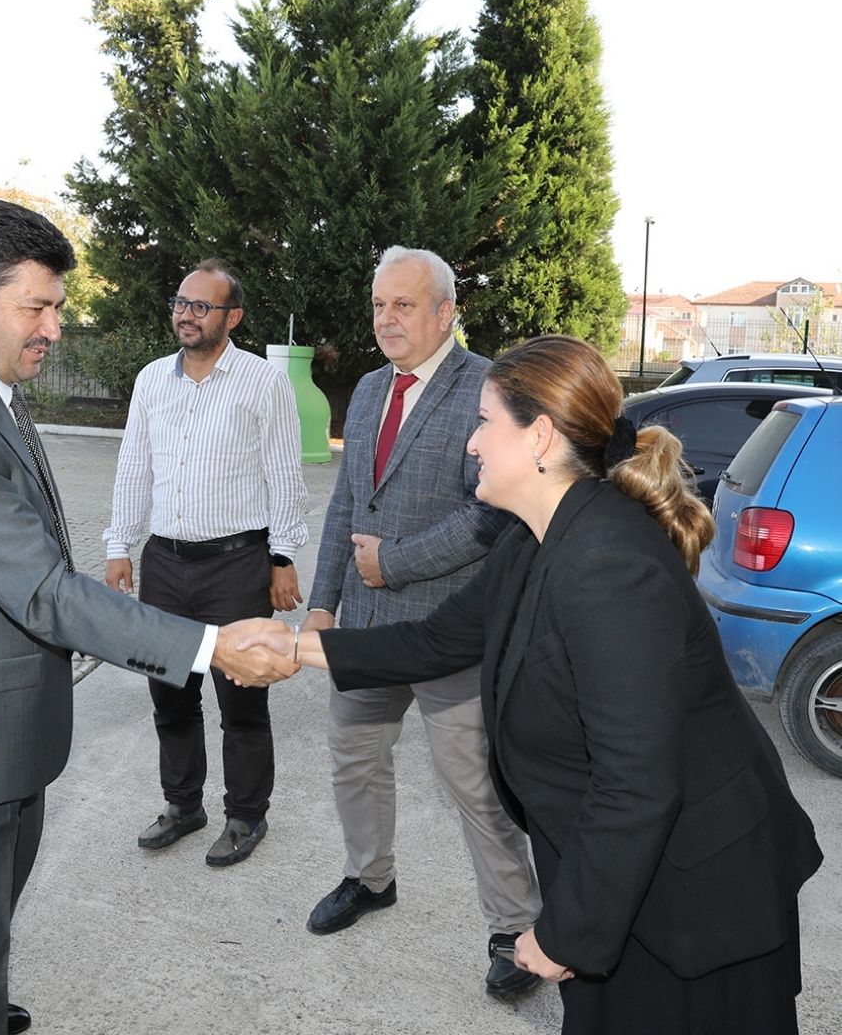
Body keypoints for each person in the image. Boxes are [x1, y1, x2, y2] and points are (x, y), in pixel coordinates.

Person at [240, 334, 823, 1035]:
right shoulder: (536, 536)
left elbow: (636, 780)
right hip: (629, 872)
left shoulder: (610, 565)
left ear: (540, 436)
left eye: (485, 422)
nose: (471, 444)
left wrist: (565, 933)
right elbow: (437, 639)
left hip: (696, 888)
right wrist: (295, 648)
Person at [0, 200, 291, 1035]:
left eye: (57, 306)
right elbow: (47, 591)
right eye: (37, 307)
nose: (55, 327)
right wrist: (210, 644)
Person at [301, 246, 541, 996]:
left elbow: (492, 512)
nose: (387, 319)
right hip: (367, 628)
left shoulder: (488, 388)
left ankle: (516, 930)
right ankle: (371, 880)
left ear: (445, 312)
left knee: (472, 785)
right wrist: (323, 600)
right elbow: (348, 504)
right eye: (379, 305)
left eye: (404, 305)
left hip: (449, 633)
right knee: (354, 759)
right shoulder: (371, 387)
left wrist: (395, 562)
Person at [103, 258, 308, 867]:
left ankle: (246, 815)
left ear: (233, 316)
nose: (186, 314)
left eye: (201, 306)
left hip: (236, 565)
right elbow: (134, 466)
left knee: (241, 699)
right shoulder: (151, 381)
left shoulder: (263, 382)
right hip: (164, 564)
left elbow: (283, 476)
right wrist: (120, 544)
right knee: (171, 696)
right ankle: (183, 805)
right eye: (181, 302)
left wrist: (283, 557)